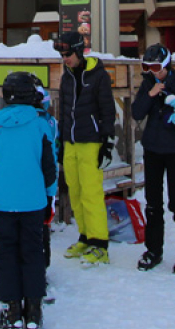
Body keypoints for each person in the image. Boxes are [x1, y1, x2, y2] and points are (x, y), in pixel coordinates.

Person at [0, 71, 58, 329]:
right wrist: (50, 197)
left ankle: (12, 310)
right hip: (34, 199)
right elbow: (50, 164)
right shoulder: (40, 124)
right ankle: (34, 310)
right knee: (33, 251)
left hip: (2, 199)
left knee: (7, 253)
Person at [131, 44, 175, 275]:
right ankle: (153, 250)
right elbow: (137, 112)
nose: (151, 71)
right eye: (147, 66)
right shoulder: (148, 83)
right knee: (152, 202)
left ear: (166, 64)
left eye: (155, 67)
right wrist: (150, 95)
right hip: (152, 149)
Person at [54, 30, 115, 265]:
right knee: (76, 193)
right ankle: (85, 237)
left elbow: (107, 110)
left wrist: (106, 142)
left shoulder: (98, 75)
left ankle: (100, 244)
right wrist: (61, 142)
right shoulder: (66, 76)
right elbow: (63, 110)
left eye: (68, 53)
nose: (65, 58)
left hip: (90, 141)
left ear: (79, 50)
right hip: (70, 142)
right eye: (62, 54)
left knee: (91, 194)